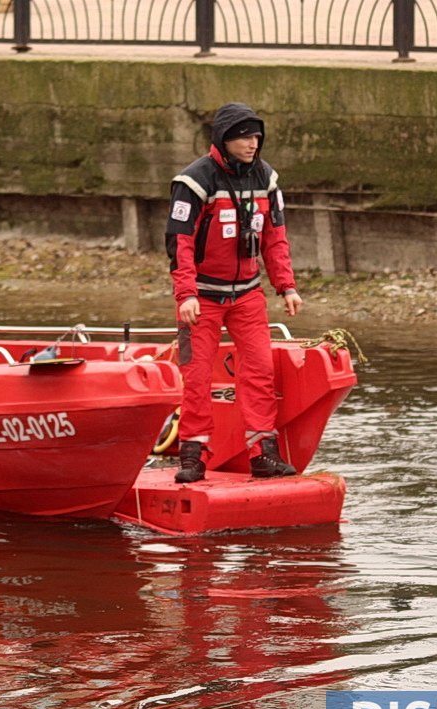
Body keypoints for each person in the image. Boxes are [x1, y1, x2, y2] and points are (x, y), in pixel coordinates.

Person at [165, 102, 304, 483]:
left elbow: (275, 239)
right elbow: (180, 243)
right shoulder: (194, 182)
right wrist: (186, 294)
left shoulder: (267, 179)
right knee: (197, 378)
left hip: (247, 295)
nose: (253, 143)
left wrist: (286, 286)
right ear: (224, 140)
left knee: (259, 372)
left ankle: (263, 454)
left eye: (257, 136)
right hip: (202, 299)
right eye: (245, 136)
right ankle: (193, 457)